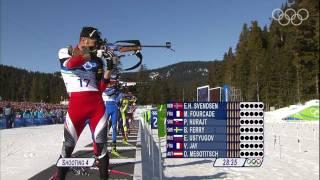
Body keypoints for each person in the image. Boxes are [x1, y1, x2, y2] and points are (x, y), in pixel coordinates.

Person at [51, 26, 115, 180]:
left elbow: (100, 88)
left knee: (102, 147)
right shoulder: (65, 51)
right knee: (67, 148)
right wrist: (90, 53)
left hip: (97, 108)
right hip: (76, 109)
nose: (97, 43)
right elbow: (71, 64)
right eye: (95, 41)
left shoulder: (97, 60)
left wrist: (109, 68)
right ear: (83, 40)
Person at [102, 74, 122, 156]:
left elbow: (121, 94)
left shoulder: (116, 89)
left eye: (115, 82)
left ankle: (114, 148)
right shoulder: (104, 87)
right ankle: (103, 148)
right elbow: (106, 92)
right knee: (104, 128)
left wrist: (118, 99)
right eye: (113, 81)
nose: (114, 83)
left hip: (114, 108)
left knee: (114, 128)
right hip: (106, 107)